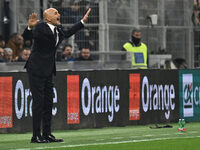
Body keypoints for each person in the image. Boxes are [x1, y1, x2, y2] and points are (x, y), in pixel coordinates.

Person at [22, 7, 91, 143]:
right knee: (38, 103)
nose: (59, 14)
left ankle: (47, 134)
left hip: (48, 70)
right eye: (55, 13)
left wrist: (82, 22)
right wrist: (29, 28)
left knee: (48, 102)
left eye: (58, 12)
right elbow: (28, 38)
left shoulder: (58, 29)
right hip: (36, 69)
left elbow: (68, 33)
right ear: (48, 18)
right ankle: (36, 135)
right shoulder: (41, 27)